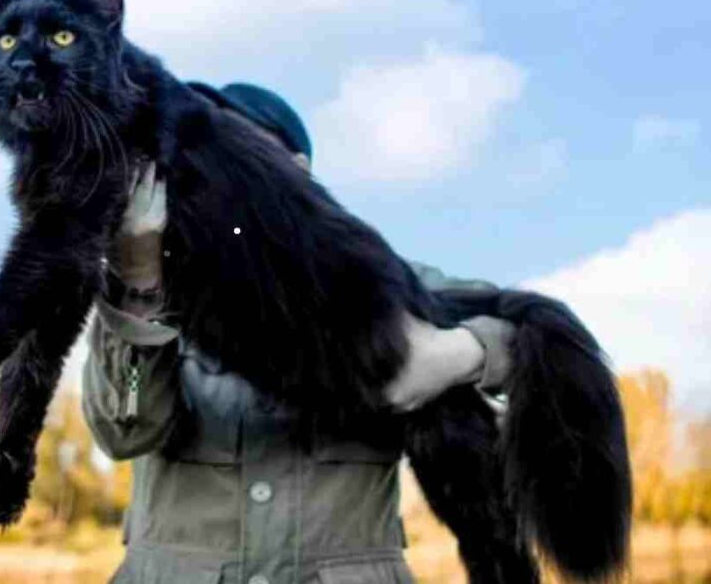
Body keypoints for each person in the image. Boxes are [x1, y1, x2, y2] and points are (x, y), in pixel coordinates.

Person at [83, 83, 515, 584]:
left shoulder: (391, 284)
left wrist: (464, 352)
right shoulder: (155, 290)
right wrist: (136, 288)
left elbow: (543, 345)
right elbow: (126, 427)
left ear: (297, 174)